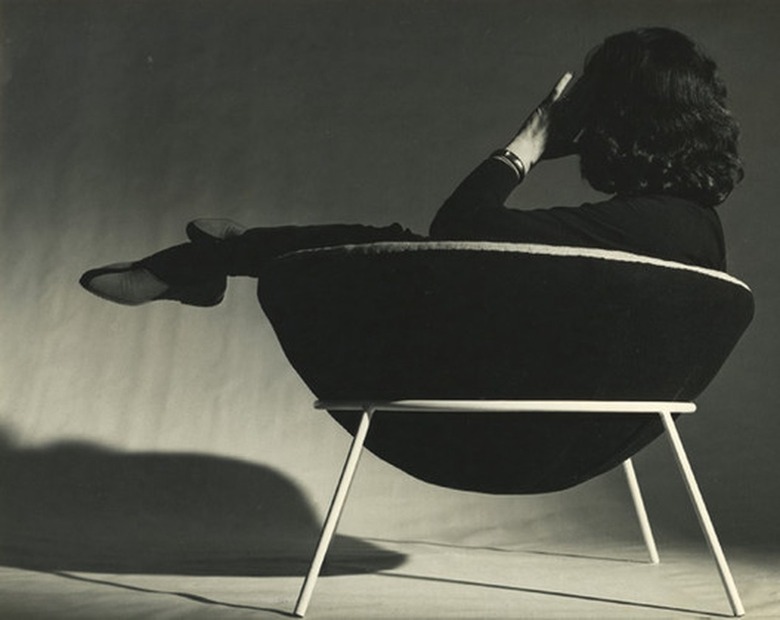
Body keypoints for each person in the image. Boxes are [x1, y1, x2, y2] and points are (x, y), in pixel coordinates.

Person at [80, 27, 743, 307]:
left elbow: (462, 227)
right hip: (595, 411)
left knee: (408, 251)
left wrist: (528, 145)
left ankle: (215, 259)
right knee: (419, 252)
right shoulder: (684, 230)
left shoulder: (642, 229)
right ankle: (216, 259)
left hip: (494, 395)